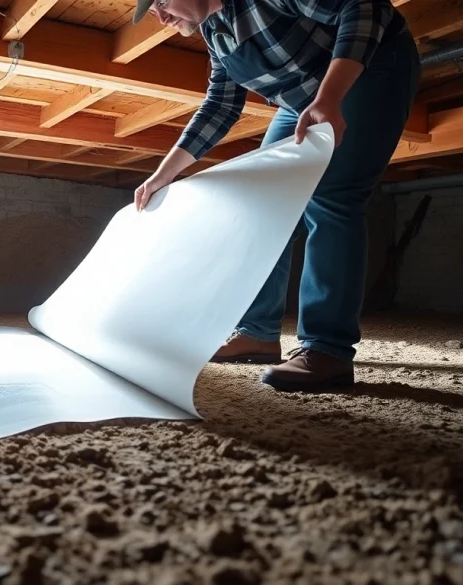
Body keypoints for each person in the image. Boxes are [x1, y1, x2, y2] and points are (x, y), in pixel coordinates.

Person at [131, 0, 421, 392]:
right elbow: (220, 105)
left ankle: (327, 349)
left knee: (331, 197)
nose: (162, 18)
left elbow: (363, 9)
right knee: (263, 201)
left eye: (163, 2)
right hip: (303, 97)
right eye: (153, 13)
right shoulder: (215, 32)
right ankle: (258, 331)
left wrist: (330, 97)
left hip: (372, 67)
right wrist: (161, 176)